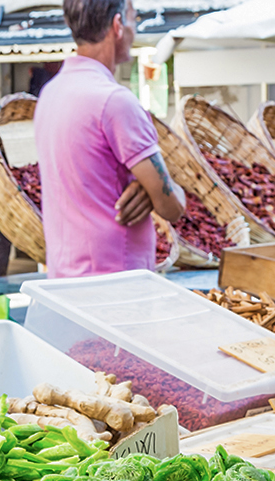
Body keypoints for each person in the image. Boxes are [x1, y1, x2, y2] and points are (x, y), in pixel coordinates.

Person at [34, 0, 184, 278]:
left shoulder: (50, 94)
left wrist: (146, 188)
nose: (134, 30)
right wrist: (157, 192)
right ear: (117, 26)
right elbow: (171, 205)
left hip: (63, 281)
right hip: (114, 287)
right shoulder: (115, 101)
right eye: (133, 19)